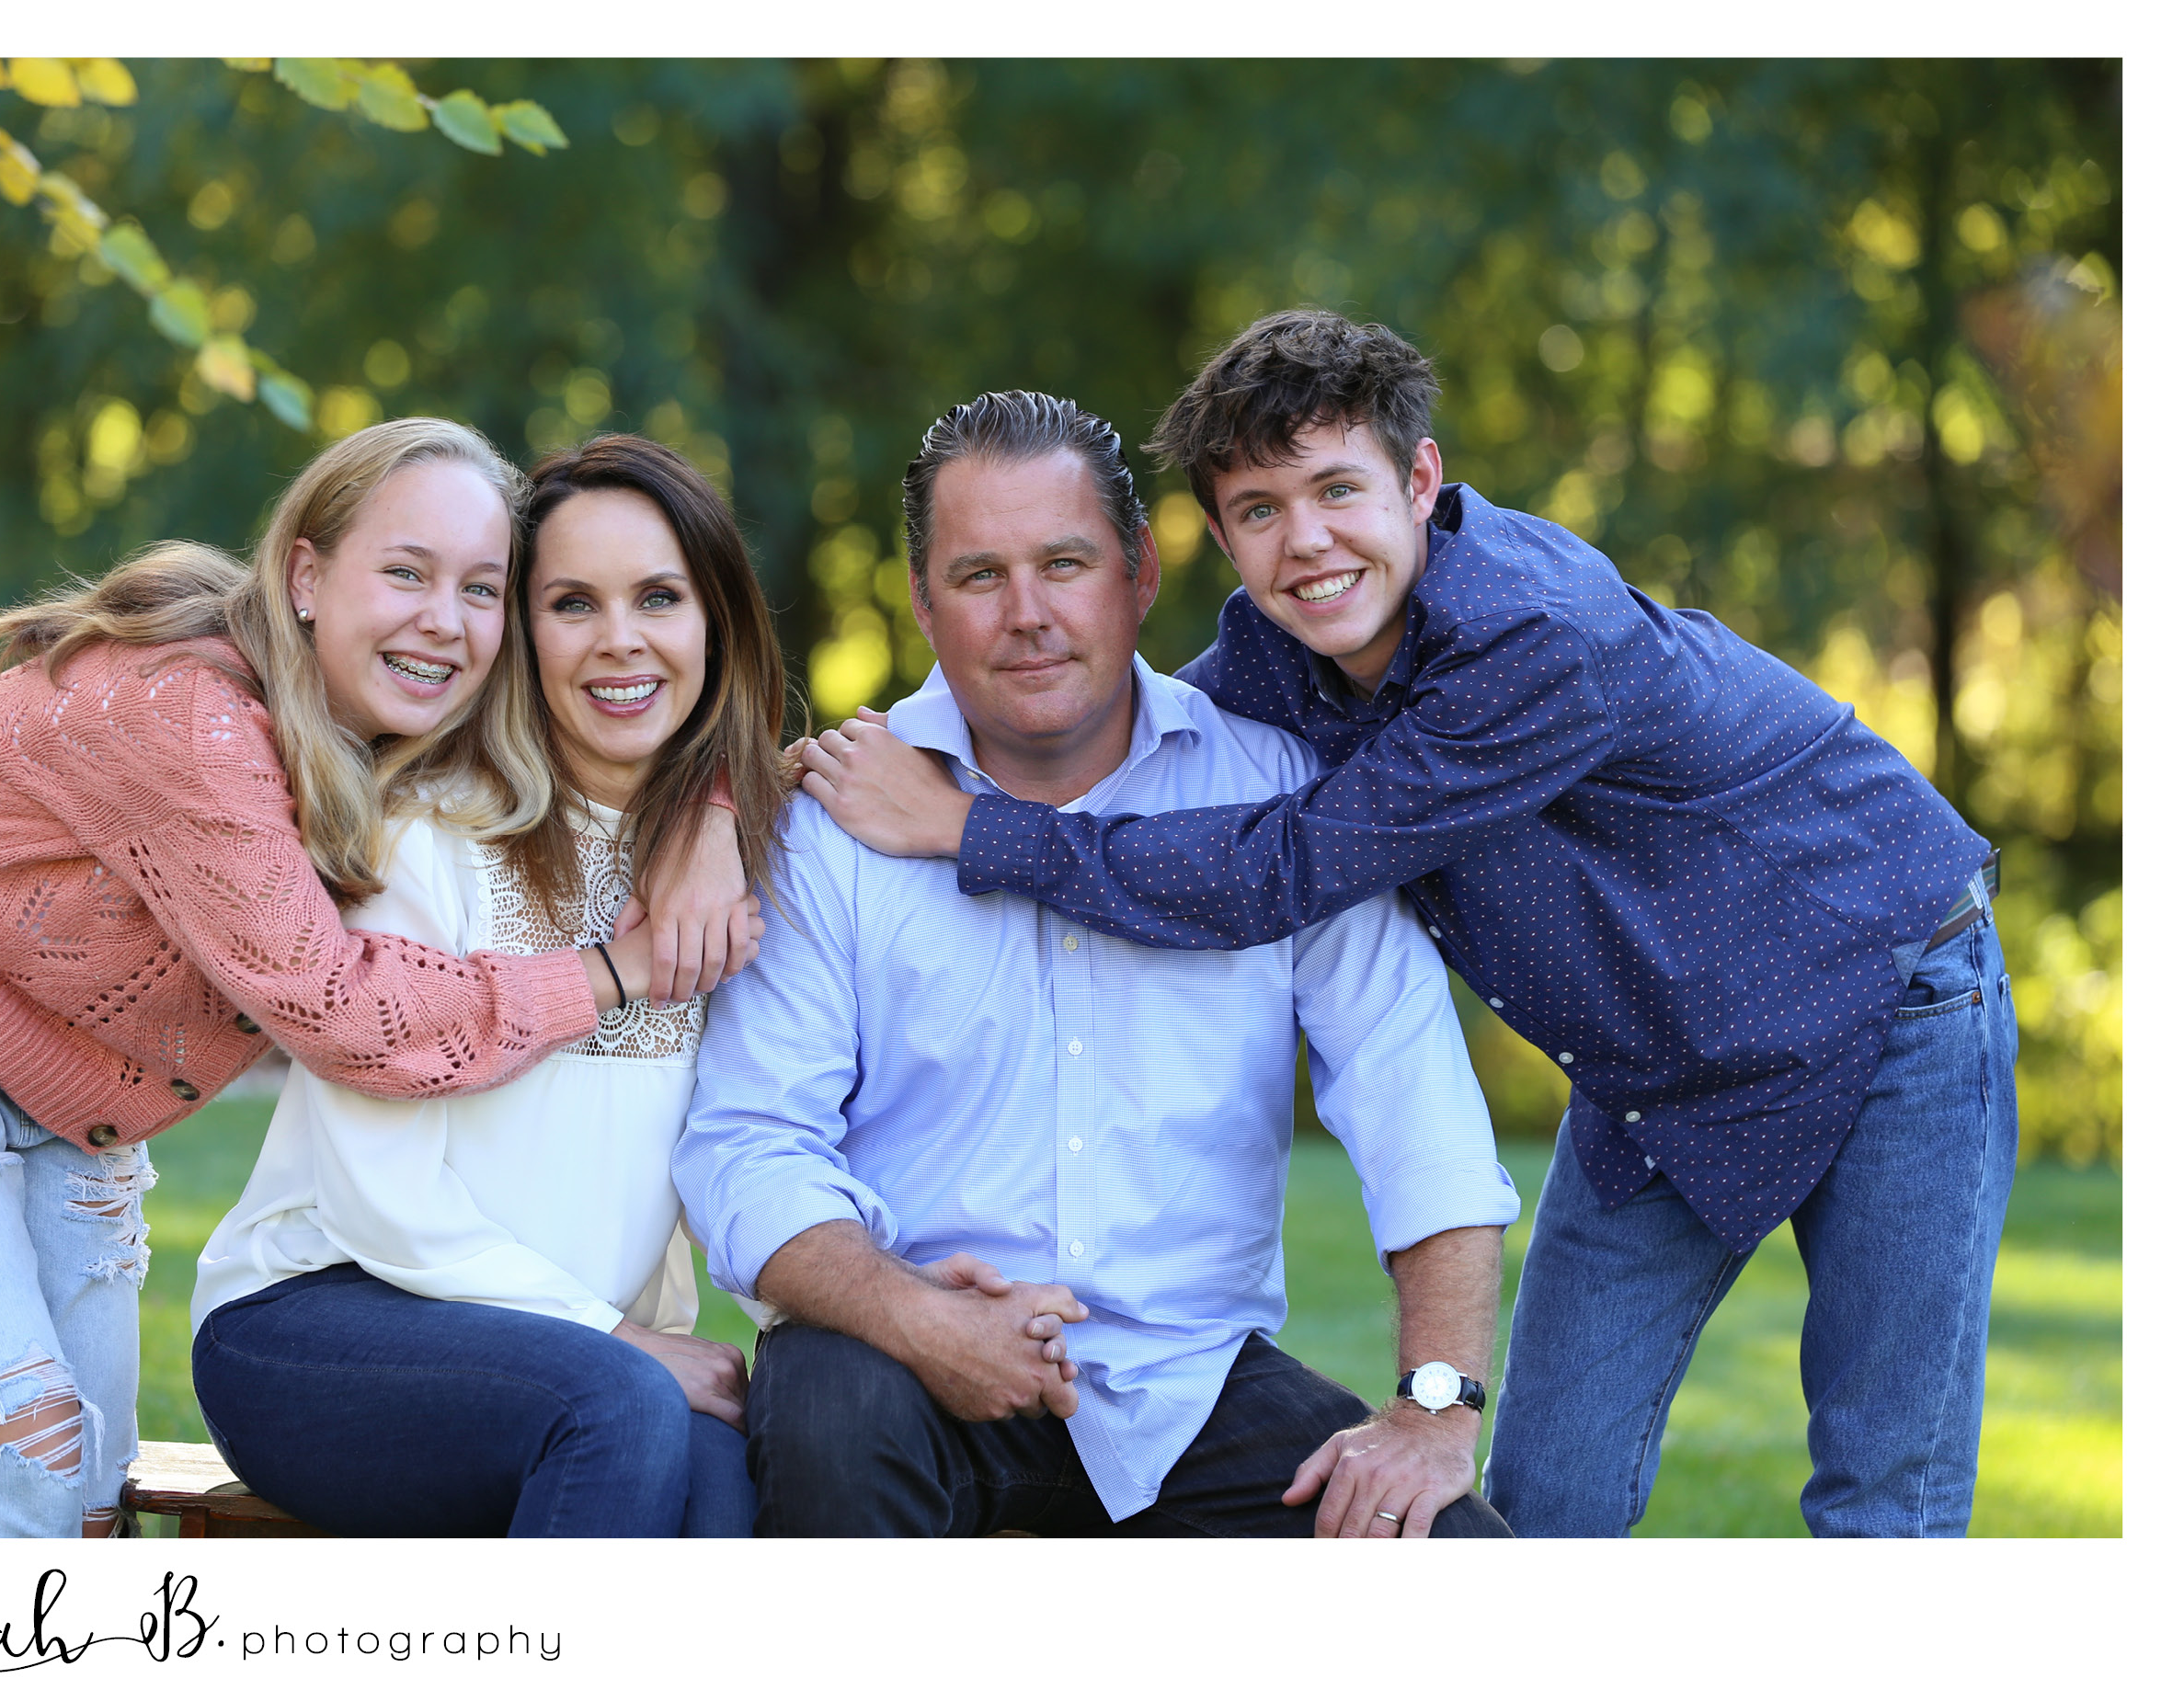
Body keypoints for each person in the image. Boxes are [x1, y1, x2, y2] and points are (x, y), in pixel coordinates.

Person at [797, 312, 2019, 1538]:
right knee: (1543, 1504)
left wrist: (966, 827)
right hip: (1657, 1060)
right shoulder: (1274, 657)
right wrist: (785, 784)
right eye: (1261, 508)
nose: (1306, 539)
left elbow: (1279, 865)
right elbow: (1132, 755)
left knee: (1884, 1498)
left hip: (1887, 980)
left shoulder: (1535, 636)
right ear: (1217, 537)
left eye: (1338, 488)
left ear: (1420, 479)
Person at [676, 391, 1519, 1539]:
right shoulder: (833, 824)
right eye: (980, 575)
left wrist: (1434, 1407)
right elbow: (749, 1141)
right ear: (923, 601)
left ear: (1139, 573)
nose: (1028, 614)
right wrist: (919, 1317)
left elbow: (1419, 1111)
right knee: (827, 1409)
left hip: (1189, 1382)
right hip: (897, 1352)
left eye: (1064, 563)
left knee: (1452, 1555)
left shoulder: (1282, 804)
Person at [0, 417, 756, 1538]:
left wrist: (715, 806)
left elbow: (686, 729)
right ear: (306, 576)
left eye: (479, 588)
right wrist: (611, 970)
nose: (443, 619)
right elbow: (345, 1011)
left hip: (63, 1085)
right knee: (22, 1458)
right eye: (406, 572)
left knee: (90, 1490)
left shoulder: (364, 733)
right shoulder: (194, 719)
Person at [189, 435, 790, 1536]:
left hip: (575, 1351)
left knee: (729, 1477)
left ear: (716, 623)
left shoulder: (738, 867)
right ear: (522, 631)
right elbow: (380, 1196)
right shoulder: (428, 834)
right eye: (572, 603)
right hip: (317, 1315)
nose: (620, 639)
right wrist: (615, 1339)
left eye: (659, 597)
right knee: (620, 1410)